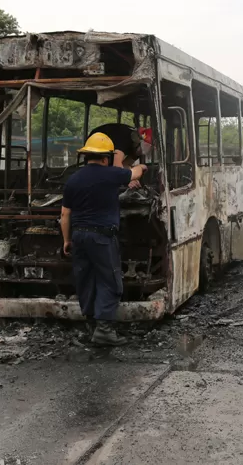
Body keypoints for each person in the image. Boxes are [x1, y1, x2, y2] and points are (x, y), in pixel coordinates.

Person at [61, 132, 147, 346]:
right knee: (109, 280)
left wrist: (66, 240)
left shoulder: (73, 179)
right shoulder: (111, 174)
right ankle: (104, 330)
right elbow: (133, 174)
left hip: (79, 236)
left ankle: (91, 325)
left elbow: (65, 215)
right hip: (102, 236)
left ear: (86, 155)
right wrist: (143, 167)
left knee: (86, 279)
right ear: (106, 157)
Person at [86, 123, 152, 168]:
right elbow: (117, 166)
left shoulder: (138, 149)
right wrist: (128, 179)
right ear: (138, 140)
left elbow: (126, 164)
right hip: (95, 142)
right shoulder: (125, 139)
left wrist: (132, 176)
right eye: (146, 146)